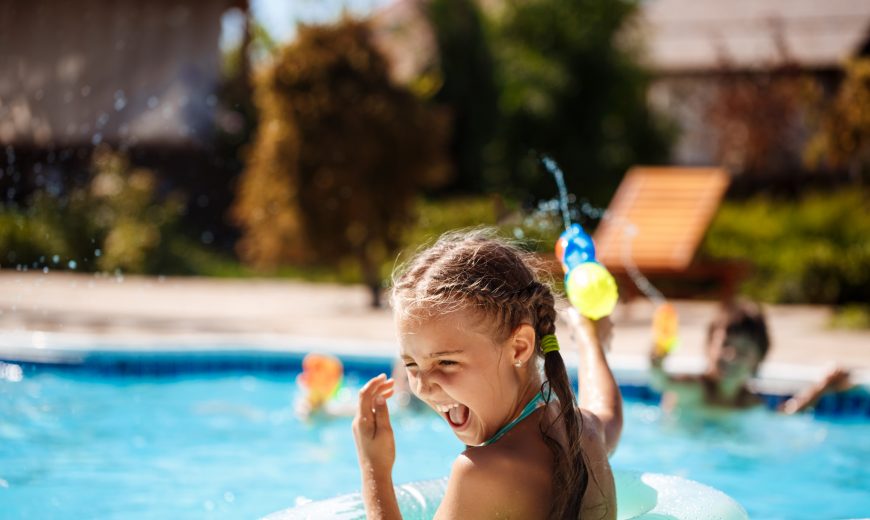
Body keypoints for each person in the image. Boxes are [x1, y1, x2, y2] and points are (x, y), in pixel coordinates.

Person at [352, 229, 623, 519]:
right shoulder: (582, 430)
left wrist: (374, 469)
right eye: (411, 365)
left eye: (445, 362)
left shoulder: (481, 472)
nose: (424, 387)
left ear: (519, 348)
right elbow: (607, 413)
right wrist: (589, 337)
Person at [649, 299, 851, 414]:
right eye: (725, 345)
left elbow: (783, 416)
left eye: (743, 351)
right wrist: (657, 359)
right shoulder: (695, 388)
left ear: (758, 360)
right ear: (709, 345)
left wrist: (821, 387)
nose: (731, 356)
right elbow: (660, 381)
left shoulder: (749, 402)